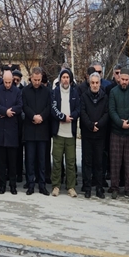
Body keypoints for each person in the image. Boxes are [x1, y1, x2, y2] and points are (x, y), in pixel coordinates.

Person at [50, 67, 79, 197]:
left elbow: (79, 108)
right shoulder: (55, 92)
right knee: (56, 161)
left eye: (67, 77)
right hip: (58, 133)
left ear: (70, 79)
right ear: (60, 79)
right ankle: (56, 186)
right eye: (63, 77)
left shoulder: (75, 92)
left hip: (70, 134)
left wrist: (71, 117)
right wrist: (62, 117)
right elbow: (53, 108)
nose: (65, 80)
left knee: (71, 162)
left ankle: (71, 186)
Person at [22, 67, 52, 195]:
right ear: (31, 77)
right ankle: (30, 184)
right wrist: (33, 116)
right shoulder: (25, 91)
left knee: (42, 160)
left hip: (42, 129)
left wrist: (41, 117)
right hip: (30, 128)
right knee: (30, 159)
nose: (37, 82)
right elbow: (24, 106)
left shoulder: (46, 91)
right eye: (35, 80)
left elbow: (49, 107)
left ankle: (42, 185)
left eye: (39, 80)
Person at [107, 71, 129, 198]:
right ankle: (114, 187)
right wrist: (120, 123)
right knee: (115, 162)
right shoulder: (113, 92)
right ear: (119, 79)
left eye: (127, 79)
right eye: (122, 79)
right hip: (116, 131)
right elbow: (111, 110)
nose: (124, 81)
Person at [0, 70, 22, 195]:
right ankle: (2, 185)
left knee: (12, 162)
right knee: (2, 161)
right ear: (3, 80)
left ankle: (13, 185)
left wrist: (10, 111)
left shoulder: (17, 91)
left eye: (10, 82)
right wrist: (6, 112)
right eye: (6, 82)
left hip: (12, 131)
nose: (8, 84)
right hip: (0, 130)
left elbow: (20, 106)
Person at [79, 72, 109, 199]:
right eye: (93, 83)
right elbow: (83, 112)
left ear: (100, 83)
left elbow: (107, 113)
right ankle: (87, 187)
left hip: (100, 134)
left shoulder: (105, 97)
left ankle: (99, 188)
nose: (95, 85)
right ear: (89, 83)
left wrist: (99, 125)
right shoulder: (84, 96)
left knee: (99, 162)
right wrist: (91, 125)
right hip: (87, 133)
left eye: (97, 83)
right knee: (87, 162)